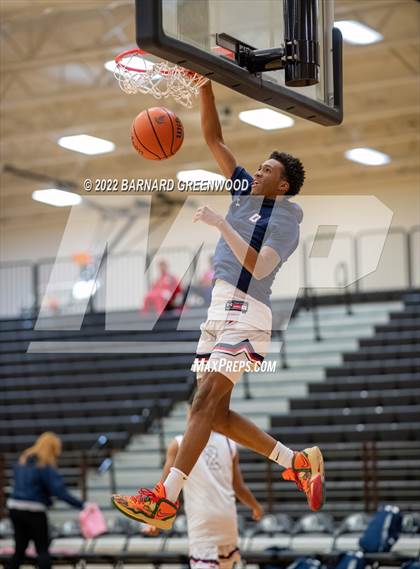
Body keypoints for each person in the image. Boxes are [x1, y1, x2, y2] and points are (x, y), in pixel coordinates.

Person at [112, 80, 324, 529]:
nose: (258, 172)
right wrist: (204, 83)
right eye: (260, 167)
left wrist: (218, 224)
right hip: (220, 307)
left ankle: (164, 499)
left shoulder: (285, 221)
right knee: (213, 413)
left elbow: (260, 267)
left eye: (267, 170)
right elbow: (213, 138)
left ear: (283, 185)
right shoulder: (245, 189)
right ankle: (297, 462)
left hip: (246, 308)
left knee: (204, 403)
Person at [142, 413, 263, 569]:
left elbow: (165, 486)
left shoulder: (180, 443)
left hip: (203, 522)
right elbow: (239, 487)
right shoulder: (229, 443)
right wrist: (256, 506)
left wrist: (154, 520)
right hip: (227, 519)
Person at [7, 432, 86, 569]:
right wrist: (82, 504)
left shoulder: (22, 461)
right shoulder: (44, 466)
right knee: (42, 549)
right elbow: (60, 492)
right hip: (34, 510)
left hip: (15, 508)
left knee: (19, 549)